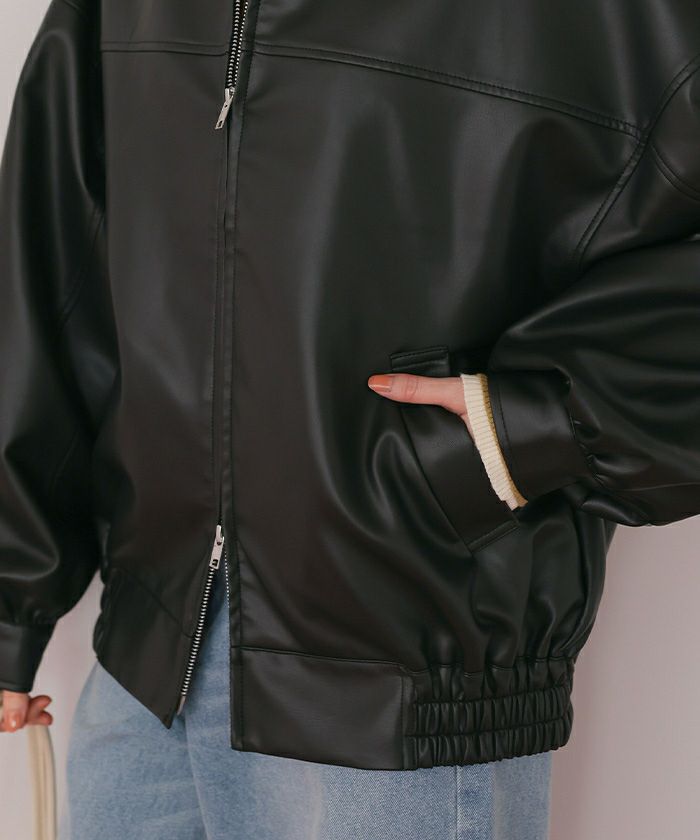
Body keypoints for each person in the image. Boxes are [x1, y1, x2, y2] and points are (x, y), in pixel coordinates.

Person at [2, 1, 700, 838]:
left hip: (403, 683)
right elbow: (58, 240)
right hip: (146, 667)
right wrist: (13, 589)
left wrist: (528, 427)